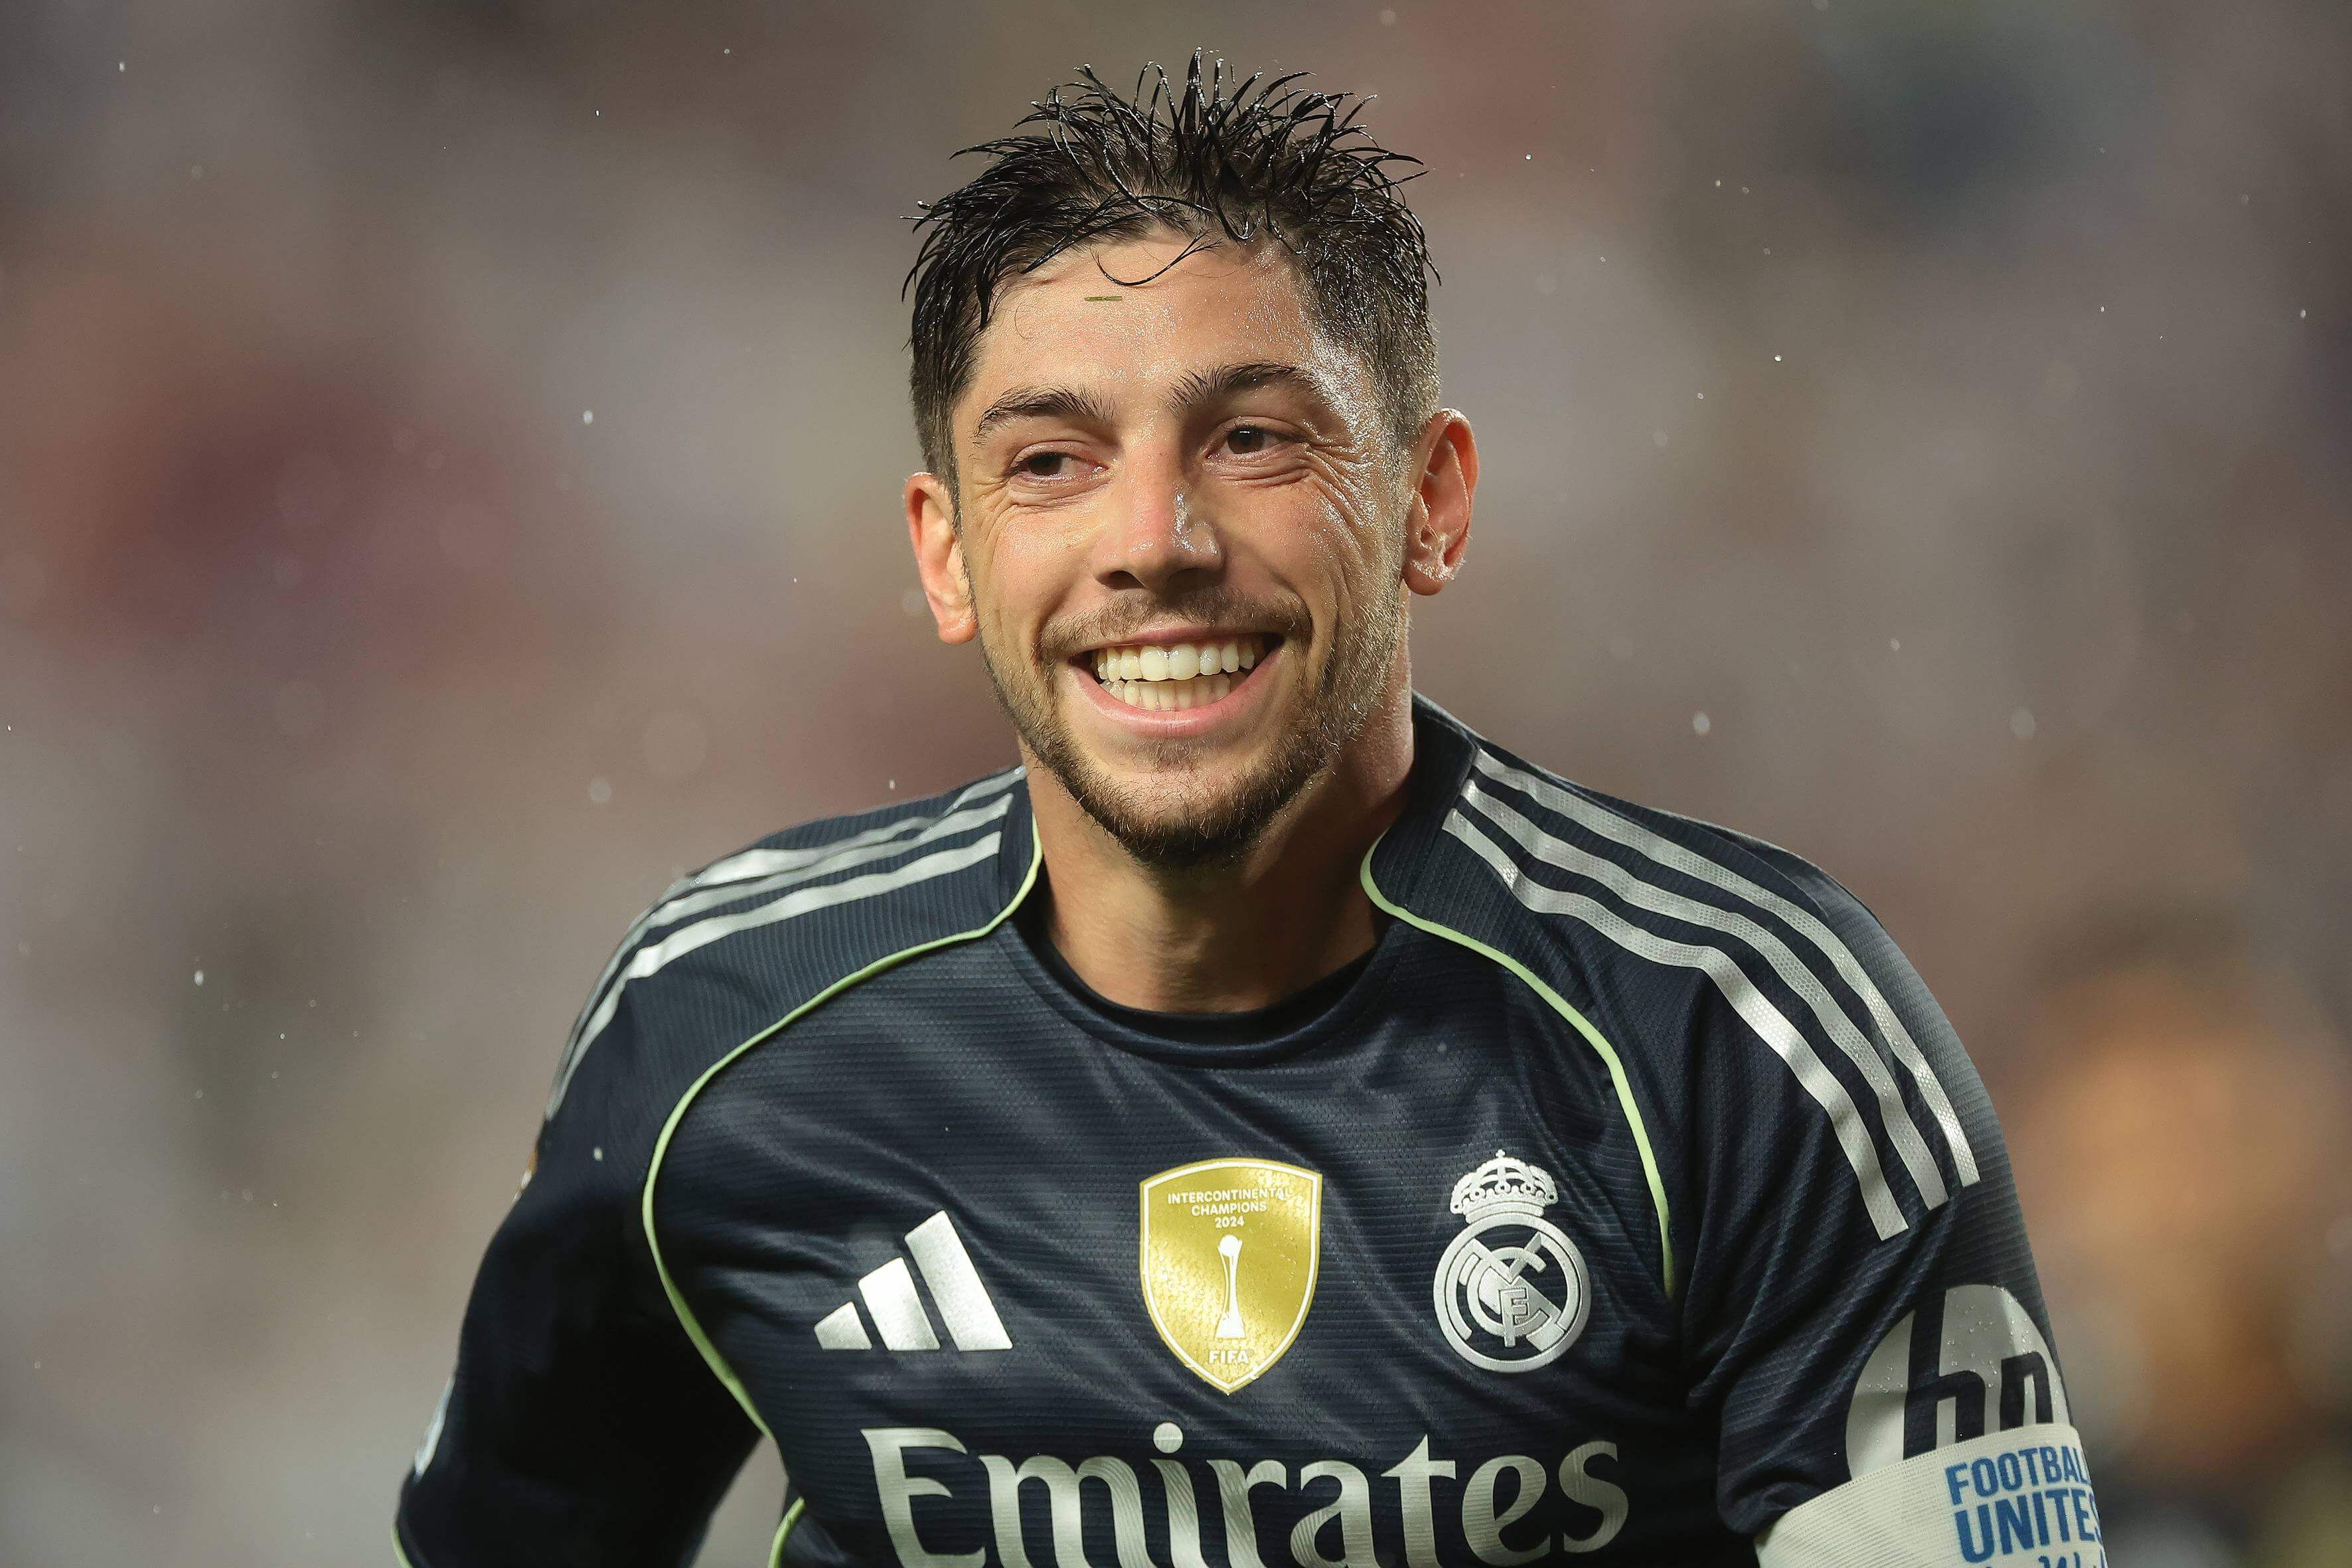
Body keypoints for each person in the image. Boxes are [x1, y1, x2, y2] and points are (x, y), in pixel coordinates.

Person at [395, 56, 2096, 1567]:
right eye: (1049, 460)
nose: (1155, 537)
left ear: (1428, 502)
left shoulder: (1744, 1032)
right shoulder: (724, 1030)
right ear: (945, 551)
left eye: (1254, 440)